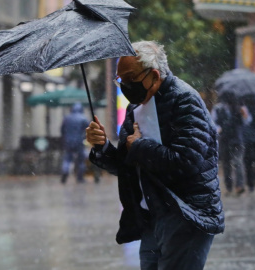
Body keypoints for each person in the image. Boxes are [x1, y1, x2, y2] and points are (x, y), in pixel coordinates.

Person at [85, 41, 224, 269]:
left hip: (186, 214)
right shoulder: (135, 108)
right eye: (120, 80)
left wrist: (140, 147)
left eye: (130, 78)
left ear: (154, 75)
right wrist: (101, 146)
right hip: (152, 216)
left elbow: (187, 162)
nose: (125, 86)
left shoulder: (184, 101)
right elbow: (126, 165)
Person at [212, 98, 250, 196]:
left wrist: (244, 115)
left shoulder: (240, 108)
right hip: (224, 140)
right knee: (226, 164)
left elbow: (247, 121)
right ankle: (229, 187)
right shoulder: (218, 108)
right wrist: (219, 129)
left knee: (238, 162)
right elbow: (213, 122)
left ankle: (239, 186)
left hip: (237, 140)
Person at [60, 102, 89, 184]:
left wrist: (65, 138)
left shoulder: (67, 118)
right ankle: (80, 177)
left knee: (67, 159)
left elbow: (62, 130)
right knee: (81, 160)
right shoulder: (83, 118)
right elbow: (88, 130)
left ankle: (65, 171)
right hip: (79, 142)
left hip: (68, 141)